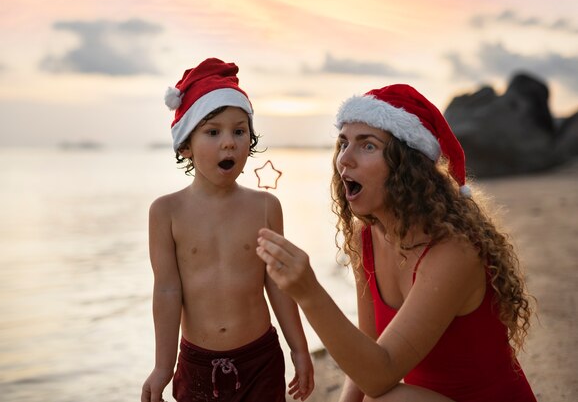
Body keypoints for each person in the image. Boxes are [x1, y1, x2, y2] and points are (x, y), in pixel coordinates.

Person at [256, 84, 536, 401]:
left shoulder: (453, 252)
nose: (344, 159)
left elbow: (378, 375)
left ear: (407, 166)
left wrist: (308, 292)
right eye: (343, 143)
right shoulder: (364, 237)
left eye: (368, 146)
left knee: (386, 399)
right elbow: (366, 347)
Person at [141, 58, 314, 402]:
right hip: (197, 364)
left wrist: (300, 349)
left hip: (260, 358)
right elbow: (166, 292)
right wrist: (164, 366)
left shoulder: (265, 207)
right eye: (213, 131)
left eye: (239, 130)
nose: (229, 142)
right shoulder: (167, 212)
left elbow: (278, 285)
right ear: (186, 145)